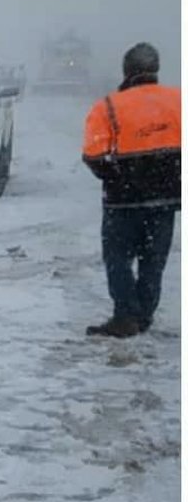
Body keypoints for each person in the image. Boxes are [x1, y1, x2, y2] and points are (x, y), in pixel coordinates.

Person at [82, 42, 181, 338]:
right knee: (154, 260)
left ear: (126, 70)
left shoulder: (108, 106)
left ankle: (125, 315)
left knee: (118, 258)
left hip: (122, 202)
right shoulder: (179, 100)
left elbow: (93, 154)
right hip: (165, 200)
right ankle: (144, 315)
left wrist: (117, 178)